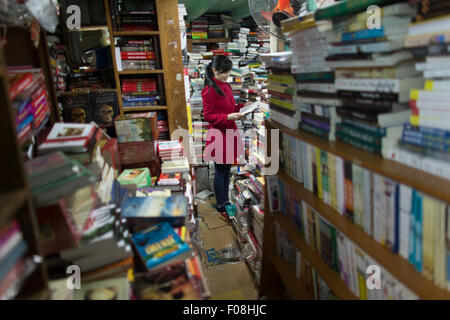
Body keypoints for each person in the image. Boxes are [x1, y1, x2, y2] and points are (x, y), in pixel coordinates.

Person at [202, 55, 252, 214]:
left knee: (227, 168)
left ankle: (226, 201)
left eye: (229, 71)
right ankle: (222, 204)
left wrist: (244, 106)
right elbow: (208, 116)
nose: (228, 75)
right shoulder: (209, 90)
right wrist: (228, 117)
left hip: (230, 132)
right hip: (218, 134)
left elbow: (230, 108)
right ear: (215, 70)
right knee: (220, 170)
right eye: (225, 72)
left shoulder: (226, 86)